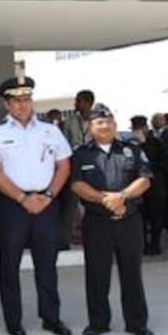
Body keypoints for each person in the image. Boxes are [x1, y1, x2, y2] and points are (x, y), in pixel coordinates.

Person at [0, 77, 73, 335]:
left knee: (47, 263)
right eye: (16, 100)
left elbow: (64, 166)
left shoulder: (50, 130)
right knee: (9, 264)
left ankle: (51, 317)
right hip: (12, 205)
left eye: (27, 99)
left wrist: (49, 195)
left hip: (46, 202)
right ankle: (13, 321)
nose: (23, 105)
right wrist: (22, 198)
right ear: (6, 104)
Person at [69, 104, 155, 335]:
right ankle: (98, 323)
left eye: (108, 121)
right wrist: (105, 199)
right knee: (97, 274)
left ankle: (137, 323)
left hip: (129, 220)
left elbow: (145, 179)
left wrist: (122, 196)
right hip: (97, 222)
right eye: (99, 122)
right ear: (90, 127)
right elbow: (77, 185)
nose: (104, 126)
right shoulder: (81, 154)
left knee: (132, 273)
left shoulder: (132, 149)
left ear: (115, 125)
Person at [59, 90, 94, 249]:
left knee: (94, 202)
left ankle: (94, 237)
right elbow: (63, 144)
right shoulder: (70, 122)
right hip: (74, 166)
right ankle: (64, 240)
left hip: (94, 165)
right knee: (70, 204)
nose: (75, 104)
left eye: (79, 101)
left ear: (88, 102)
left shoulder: (98, 120)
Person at [131, 115, 168, 255]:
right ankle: (143, 244)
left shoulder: (156, 143)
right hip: (137, 185)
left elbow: (158, 162)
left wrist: (143, 144)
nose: (137, 132)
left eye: (140, 128)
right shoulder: (130, 145)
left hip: (154, 184)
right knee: (140, 216)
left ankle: (155, 244)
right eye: (135, 128)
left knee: (155, 215)